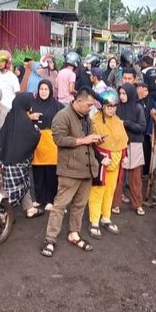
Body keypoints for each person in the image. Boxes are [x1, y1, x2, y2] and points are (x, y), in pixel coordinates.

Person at [40, 87, 102, 257]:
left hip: (87, 169)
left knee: (80, 205)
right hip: (69, 170)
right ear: (78, 101)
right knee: (60, 205)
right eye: (89, 104)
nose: (90, 108)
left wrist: (95, 139)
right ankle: (50, 239)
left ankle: (74, 233)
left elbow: (88, 139)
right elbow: (58, 139)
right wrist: (84, 140)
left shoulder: (86, 117)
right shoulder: (63, 115)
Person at [0, 93, 43, 218]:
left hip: (8, 159)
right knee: (13, 191)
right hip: (18, 162)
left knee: (24, 185)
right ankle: (2, 215)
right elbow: (31, 138)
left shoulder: (12, 116)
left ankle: (30, 209)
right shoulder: (24, 121)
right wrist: (37, 132)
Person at [88, 88, 128, 239]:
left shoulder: (117, 121)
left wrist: (124, 155)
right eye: (109, 106)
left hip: (116, 162)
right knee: (97, 191)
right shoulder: (94, 121)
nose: (112, 109)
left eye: (114, 106)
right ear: (102, 106)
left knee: (110, 191)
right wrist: (100, 158)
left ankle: (106, 217)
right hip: (102, 162)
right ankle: (94, 221)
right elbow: (91, 143)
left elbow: (123, 140)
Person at [112, 84, 147, 216]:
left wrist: (126, 123)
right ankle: (116, 204)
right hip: (119, 144)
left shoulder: (138, 108)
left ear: (131, 94)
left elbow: (142, 127)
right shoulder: (117, 107)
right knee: (118, 176)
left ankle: (138, 204)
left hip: (135, 144)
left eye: (124, 94)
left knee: (135, 177)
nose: (122, 96)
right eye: (120, 93)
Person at [31, 80, 64, 210]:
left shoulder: (57, 106)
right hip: (37, 142)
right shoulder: (32, 105)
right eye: (41, 89)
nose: (43, 92)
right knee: (38, 172)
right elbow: (24, 117)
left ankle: (51, 199)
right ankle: (39, 198)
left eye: (46, 89)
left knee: (51, 173)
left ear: (50, 90)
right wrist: (31, 117)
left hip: (51, 143)